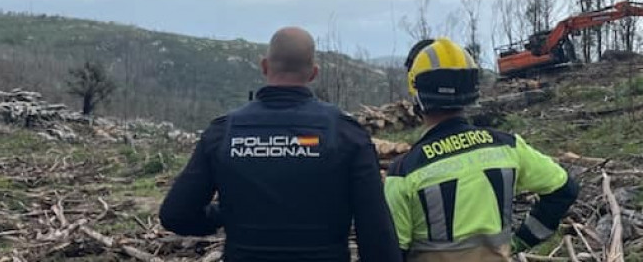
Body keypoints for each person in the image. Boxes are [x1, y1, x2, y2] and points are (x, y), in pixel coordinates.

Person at [159, 26, 402, 262]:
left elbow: (176, 215)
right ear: (313, 73)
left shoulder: (223, 133)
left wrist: (224, 214)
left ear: (264, 66)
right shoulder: (346, 134)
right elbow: (376, 232)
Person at [384, 38, 579, 262]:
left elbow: (389, 251)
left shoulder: (403, 172)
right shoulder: (508, 147)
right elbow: (565, 190)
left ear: (417, 94)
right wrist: (522, 240)